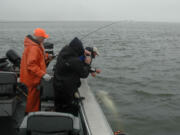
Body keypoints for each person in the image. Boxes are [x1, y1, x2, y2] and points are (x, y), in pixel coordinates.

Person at [53, 37, 91, 116]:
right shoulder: (74, 60)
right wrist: (87, 64)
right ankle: (65, 126)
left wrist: (82, 51)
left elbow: (75, 54)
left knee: (59, 108)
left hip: (58, 85)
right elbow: (84, 74)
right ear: (77, 49)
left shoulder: (63, 52)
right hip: (67, 90)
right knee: (68, 111)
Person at [20, 28, 52, 114]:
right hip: (32, 79)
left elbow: (39, 56)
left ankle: (32, 114)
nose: (44, 39)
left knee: (34, 98)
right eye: (43, 37)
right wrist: (43, 75)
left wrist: (47, 56)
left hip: (33, 77)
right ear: (38, 37)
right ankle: (30, 116)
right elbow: (31, 65)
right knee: (32, 100)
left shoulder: (35, 45)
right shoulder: (34, 48)